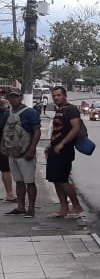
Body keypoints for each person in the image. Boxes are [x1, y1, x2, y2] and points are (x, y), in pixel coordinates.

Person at [45, 86, 84, 218]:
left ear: (65, 96)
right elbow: (58, 131)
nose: (56, 98)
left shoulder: (71, 109)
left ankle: (77, 206)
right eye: (54, 96)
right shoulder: (59, 110)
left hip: (64, 150)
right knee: (55, 179)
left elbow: (75, 128)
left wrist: (62, 143)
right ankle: (63, 208)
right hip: (54, 150)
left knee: (63, 179)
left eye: (59, 95)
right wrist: (51, 144)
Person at [2, 89, 41, 218]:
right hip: (12, 153)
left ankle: (31, 208)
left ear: (21, 97)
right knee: (18, 181)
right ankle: (20, 207)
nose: (13, 99)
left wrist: (32, 149)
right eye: (11, 97)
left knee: (29, 181)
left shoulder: (31, 112)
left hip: (25, 153)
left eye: (16, 96)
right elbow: (5, 131)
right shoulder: (8, 112)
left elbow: (37, 131)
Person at [0, 97, 16, 203]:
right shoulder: (6, 113)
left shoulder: (6, 112)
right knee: (5, 169)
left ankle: (10, 194)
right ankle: (10, 194)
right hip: (3, 144)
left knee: (5, 169)